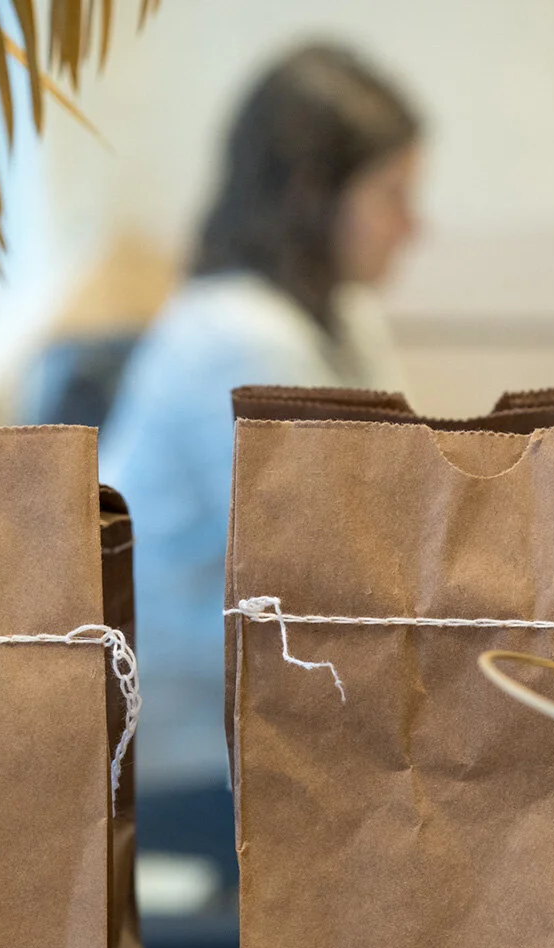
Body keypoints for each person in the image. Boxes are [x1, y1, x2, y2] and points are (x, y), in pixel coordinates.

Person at [101, 43, 423, 802]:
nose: (413, 226)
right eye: (392, 196)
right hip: (178, 764)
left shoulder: (342, 315)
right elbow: (335, 586)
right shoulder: (237, 338)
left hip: (262, 726)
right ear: (313, 195)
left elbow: (405, 522)